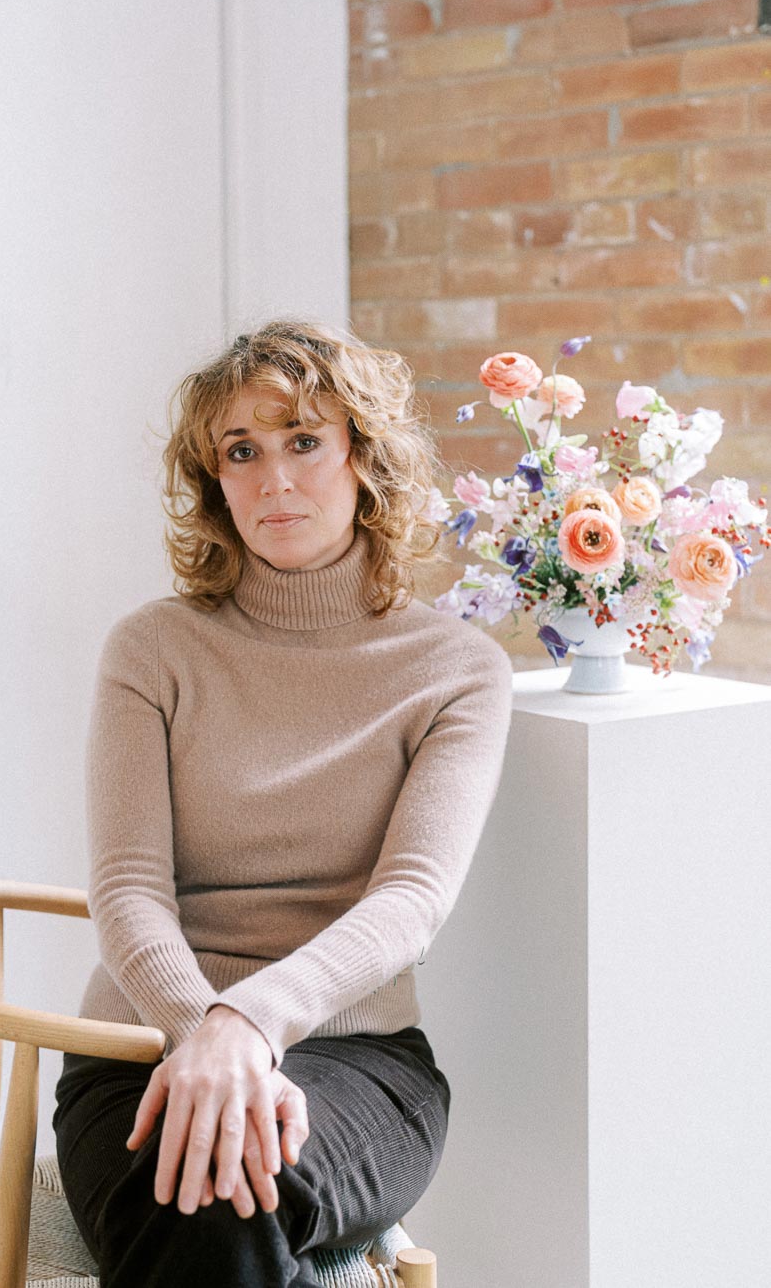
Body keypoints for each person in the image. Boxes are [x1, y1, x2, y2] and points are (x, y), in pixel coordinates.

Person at [53, 319, 514, 1287]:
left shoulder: (454, 669)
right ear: (213, 482)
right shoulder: (154, 649)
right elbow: (129, 885)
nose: (274, 479)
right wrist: (199, 1029)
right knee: (203, 1200)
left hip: (358, 1060)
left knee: (230, 1190)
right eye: (241, 451)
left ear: (364, 459)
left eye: (305, 439)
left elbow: (412, 899)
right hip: (139, 1045)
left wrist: (247, 1027)